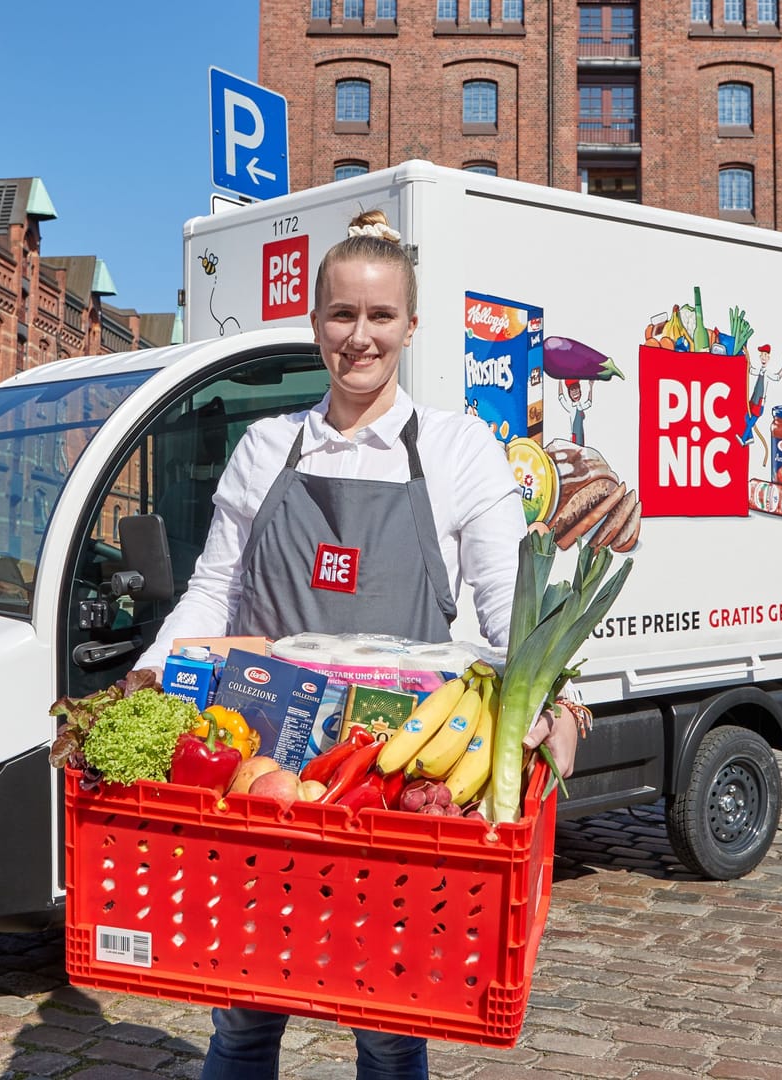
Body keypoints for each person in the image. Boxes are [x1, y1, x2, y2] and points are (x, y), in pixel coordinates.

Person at [135, 209, 527, 1080]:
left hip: (392, 784)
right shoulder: (267, 448)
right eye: (341, 315)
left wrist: (553, 703)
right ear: (315, 325)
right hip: (262, 778)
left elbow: (509, 611)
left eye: (380, 316)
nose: (360, 337)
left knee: (389, 1030)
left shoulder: (459, 451)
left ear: (411, 327)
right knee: (242, 1015)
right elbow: (215, 589)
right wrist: (153, 669)